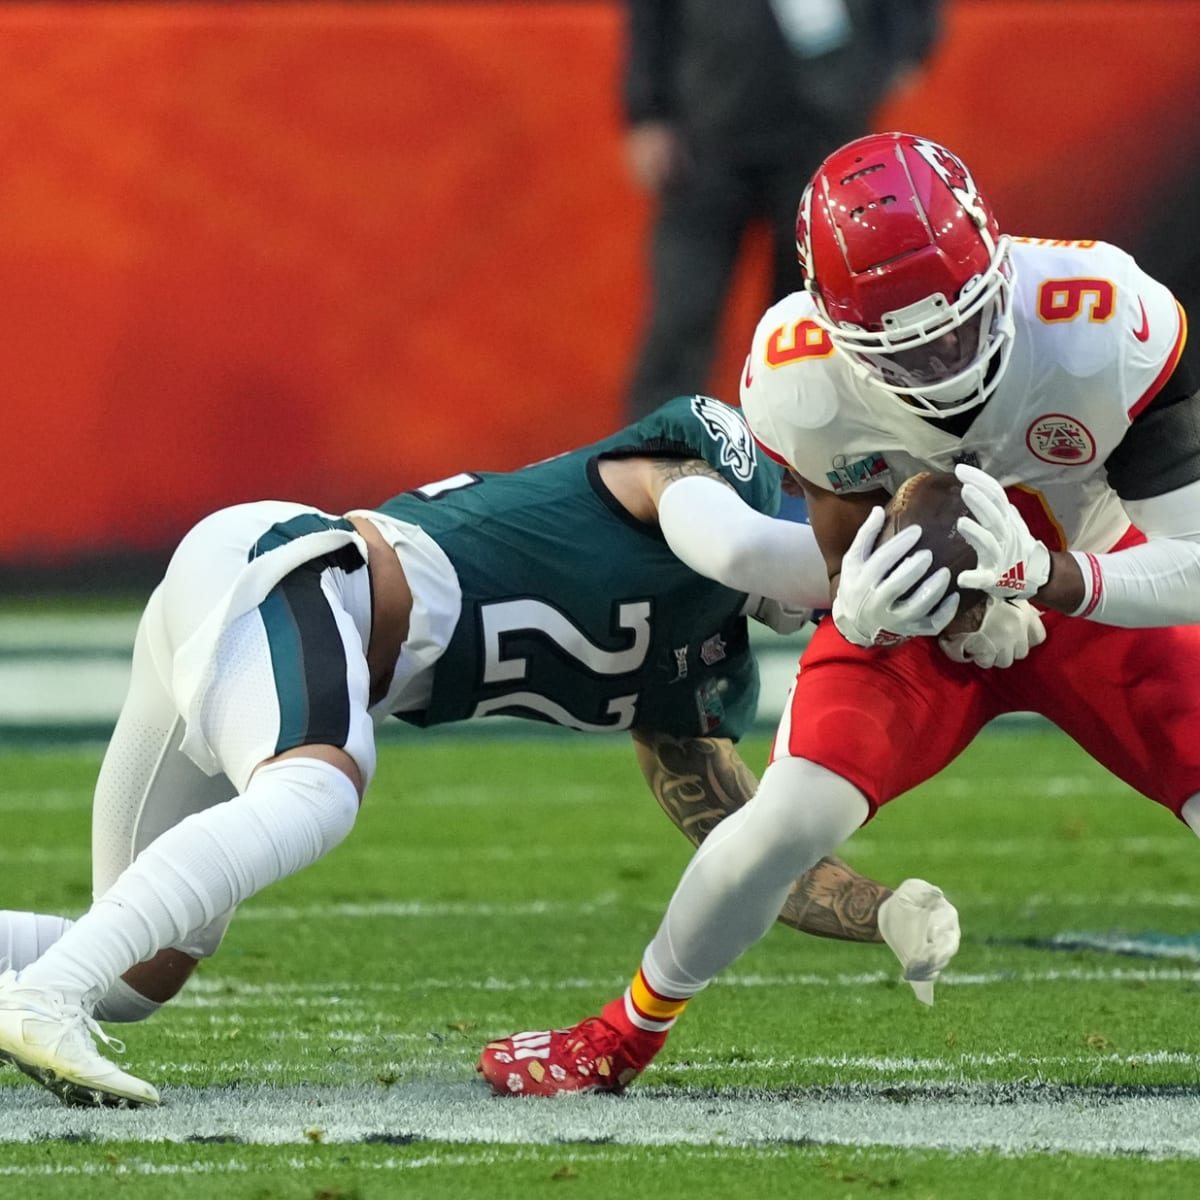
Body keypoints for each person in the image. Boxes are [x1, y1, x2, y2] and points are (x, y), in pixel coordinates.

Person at [476, 129, 1200, 1098]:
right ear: (838, 330)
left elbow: (1195, 564)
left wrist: (1048, 576)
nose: (944, 362)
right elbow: (839, 544)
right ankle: (618, 1036)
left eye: (960, 327)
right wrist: (873, 600)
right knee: (784, 821)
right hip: (924, 612)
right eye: (908, 348)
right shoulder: (800, 374)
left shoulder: (1103, 320)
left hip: (1092, 582)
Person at [0, 393, 961, 1109]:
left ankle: (51, 982)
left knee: (136, 974)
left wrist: (883, 911)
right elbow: (744, 551)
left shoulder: (704, 671)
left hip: (254, 630)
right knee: (318, 792)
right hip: (303, 575)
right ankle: (45, 997)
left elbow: (750, 850)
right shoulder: (711, 474)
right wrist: (870, 577)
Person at [622, 0, 941, 421]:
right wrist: (647, 111)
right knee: (681, 316)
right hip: (706, 137)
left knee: (812, 323)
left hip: (821, 136)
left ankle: (808, 465)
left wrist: (893, 56)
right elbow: (650, 15)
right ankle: (657, 459)